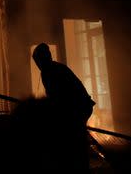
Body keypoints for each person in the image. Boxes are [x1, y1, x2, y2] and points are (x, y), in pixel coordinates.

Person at [32, 43, 95, 172]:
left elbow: (57, 97)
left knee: (73, 140)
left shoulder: (49, 71)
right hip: (81, 106)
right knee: (75, 138)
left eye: (38, 60)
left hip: (77, 108)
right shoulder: (57, 68)